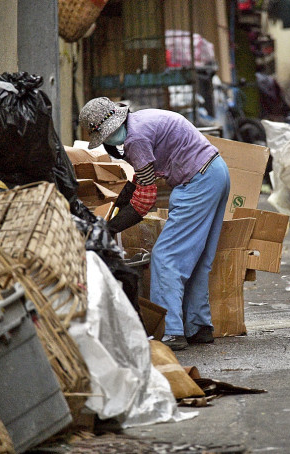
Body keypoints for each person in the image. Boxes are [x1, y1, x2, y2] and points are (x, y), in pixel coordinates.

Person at [79, 97, 230, 351]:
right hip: (216, 172)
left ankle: (171, 331)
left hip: (197, 183)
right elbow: (144, 172)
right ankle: (198, 327)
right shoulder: (140, 122)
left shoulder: (134, 140)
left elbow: (145, 200)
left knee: (165, 257)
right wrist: (128, 191)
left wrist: (111, 227)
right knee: (198, 258)